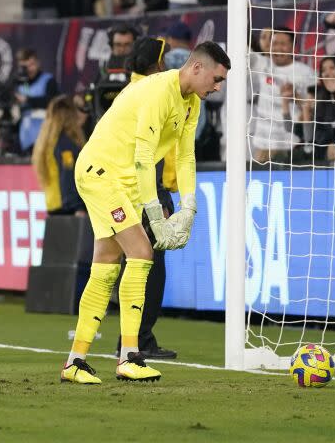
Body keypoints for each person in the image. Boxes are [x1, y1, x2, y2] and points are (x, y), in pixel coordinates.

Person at [61, 41, 230, 384]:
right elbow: (143, 156)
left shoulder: (190, 103)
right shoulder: (157, 91)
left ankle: (75, 362)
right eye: (216, 78)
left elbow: (184, 157)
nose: (217, 86)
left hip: (118, 179)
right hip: (103, 172)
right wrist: (155, 214)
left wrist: (189, 205)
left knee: (106, 263)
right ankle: (130, 356)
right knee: (141, 252)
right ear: (196, 67)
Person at [113, 37, 178, 360]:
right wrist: (160, 197)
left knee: (124, 263)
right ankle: (139, 340)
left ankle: (129, 339)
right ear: (159, 63)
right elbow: (146, 150)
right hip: (143, 191)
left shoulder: (129, 91)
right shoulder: (153, 93)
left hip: (118, 187)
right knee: (149, 266)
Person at [251, 28, 316, 163]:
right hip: (264, 146)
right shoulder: (262, 64)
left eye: (283, 44)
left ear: (292, 47)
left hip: (293, 145)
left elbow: (315, 107)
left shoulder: (306, 72)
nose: (278, 48)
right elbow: (241, 54)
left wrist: (295, 96)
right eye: (274, 43)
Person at [32, 95, 87, 215]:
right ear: (69, 115)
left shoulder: (47, 142)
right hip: (68, 210)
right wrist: (77, 207)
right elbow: (68, 174)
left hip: (54, 206)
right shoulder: (65, 145)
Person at [16, 48, 59, 154]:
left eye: (32, 64)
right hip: (25, 139)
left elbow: (53, 101)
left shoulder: (48, 80)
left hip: (45, 137)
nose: (29, 69)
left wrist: (29, 100)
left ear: (38, 63)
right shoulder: (21, 84)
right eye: (25, 67)